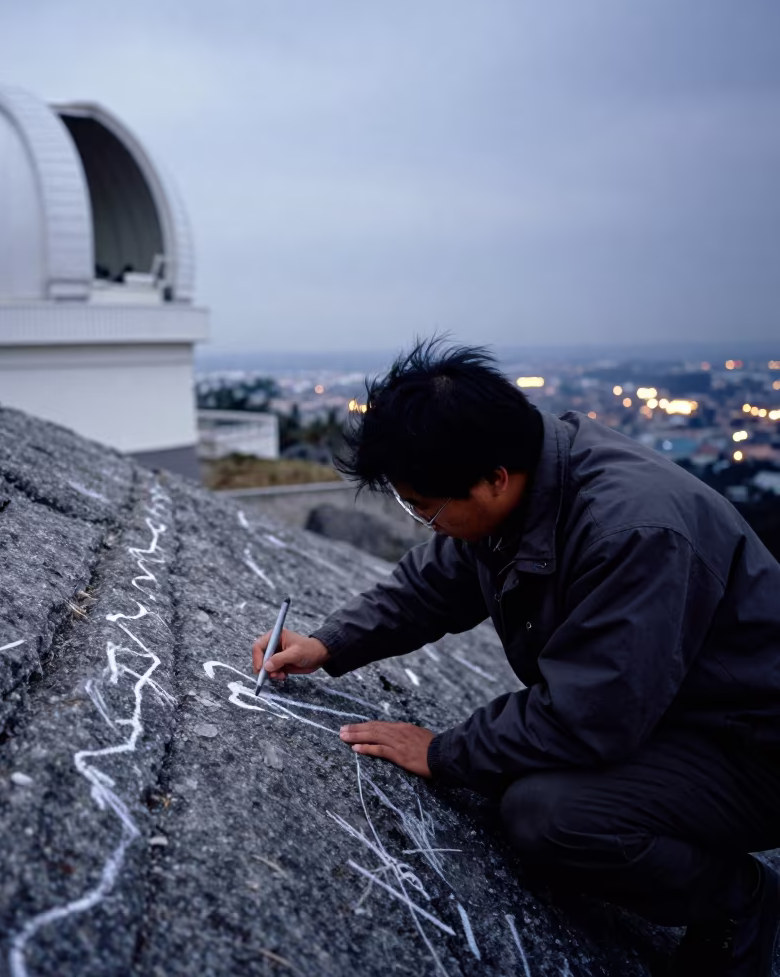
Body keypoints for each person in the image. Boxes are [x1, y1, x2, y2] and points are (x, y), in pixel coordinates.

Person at [251, 340, 780, 977]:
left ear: (494, 480)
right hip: (670, 707)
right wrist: (328, 643)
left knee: (548, 815)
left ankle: (739, 900)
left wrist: (443, 752)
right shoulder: (521, 475)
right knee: (522, 784)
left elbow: (590, 716)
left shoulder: (630, 531)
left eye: (427, 507)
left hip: (752, 742)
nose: (426, 522)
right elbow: (436, 582)